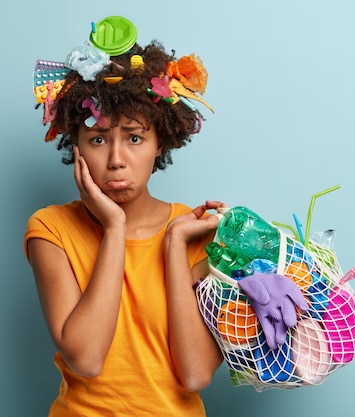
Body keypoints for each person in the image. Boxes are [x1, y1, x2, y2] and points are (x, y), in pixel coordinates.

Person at [24, 16, 224, 416]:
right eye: (98, 139)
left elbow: (196, 374)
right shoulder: (51, 230)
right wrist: (114, 226)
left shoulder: (193, 231)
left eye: (134, 137)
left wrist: (173, 246)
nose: (116, 160)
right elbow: (87, 358)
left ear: (160, 141)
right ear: (75, 144)